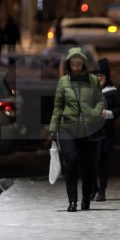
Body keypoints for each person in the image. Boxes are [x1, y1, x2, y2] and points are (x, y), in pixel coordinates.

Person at [49, 47, 106, 212]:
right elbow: (58, 106)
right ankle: (72, 200)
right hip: (67, 127)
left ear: (84, 64)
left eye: (79, 64)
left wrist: (95, 114)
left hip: (88, 128)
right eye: (73, 64)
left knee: (88, 165)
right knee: (71, 161)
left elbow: (100, 101)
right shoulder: (63, 82)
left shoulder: (93, 81)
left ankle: (86, 196)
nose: (76, 67)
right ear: (68, 64)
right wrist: (53, 128)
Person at [91, 58, 120, 202]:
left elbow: (119, 108)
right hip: (90, 132)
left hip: (105, 132)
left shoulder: (112, 92)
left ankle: (102, 190)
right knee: (90, 161)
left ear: (106, 77)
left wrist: (108, 113)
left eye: (101, 76)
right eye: (96, 76)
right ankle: (93, 188)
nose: (99, 79)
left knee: (101, 160)